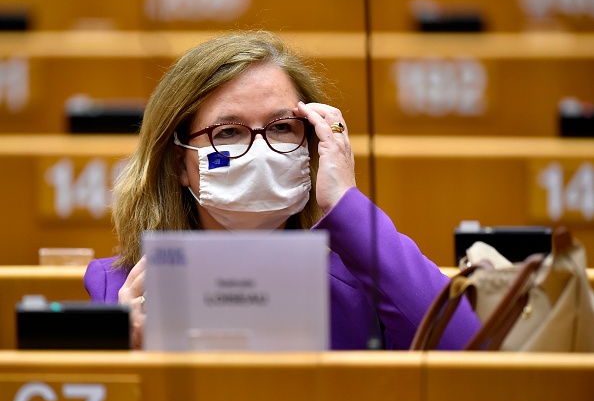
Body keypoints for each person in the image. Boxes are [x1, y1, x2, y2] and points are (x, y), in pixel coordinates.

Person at [84, 30, 480, 350]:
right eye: (229, 133)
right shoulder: (121, 290)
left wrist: (346, 204)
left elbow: (469, 352)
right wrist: (127, 358)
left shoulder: (365, 286)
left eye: (281, 127)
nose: (259, 150)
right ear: (178, 165)